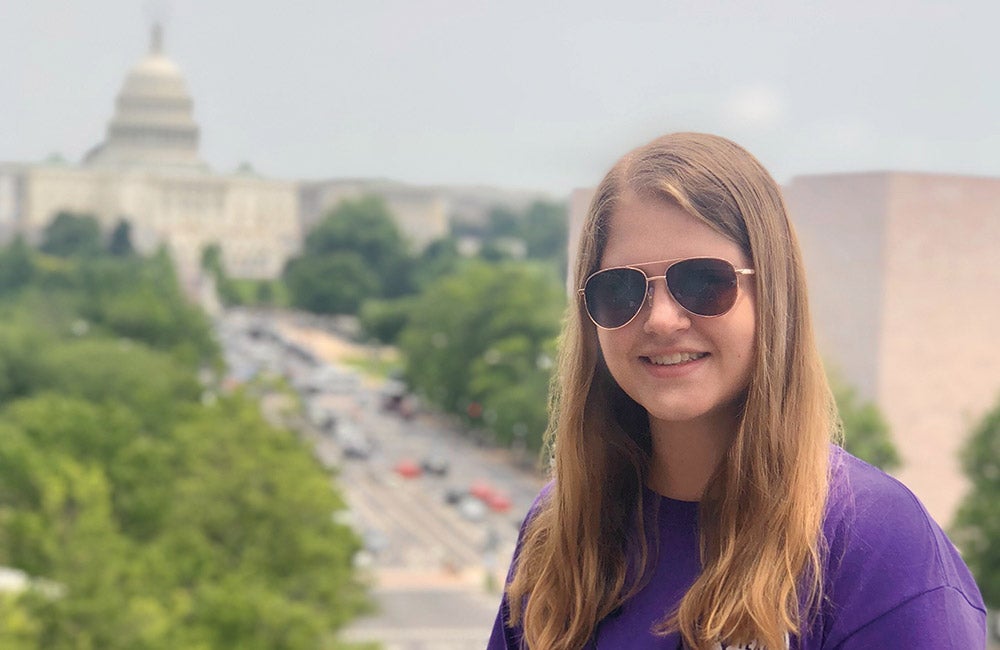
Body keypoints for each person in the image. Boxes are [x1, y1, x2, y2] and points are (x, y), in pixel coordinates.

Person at [487, 132, 986, 649]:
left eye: (704, 281)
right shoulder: (560, 527)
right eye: (621, 288)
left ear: (774, 293)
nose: (660, 319)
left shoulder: (877, 547)